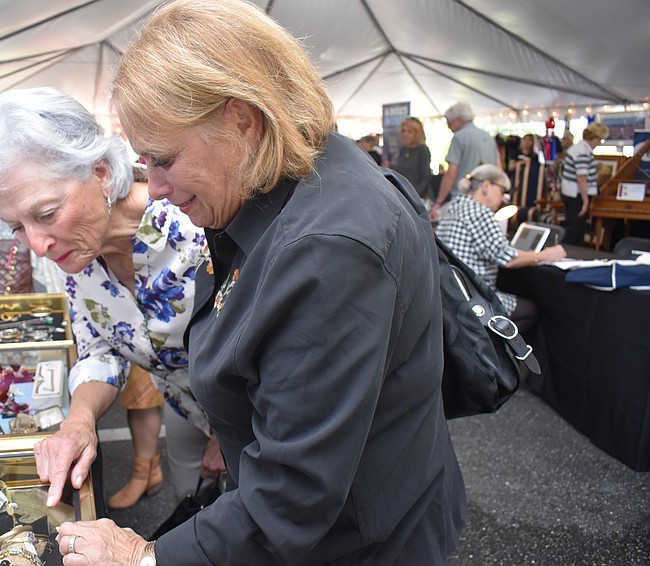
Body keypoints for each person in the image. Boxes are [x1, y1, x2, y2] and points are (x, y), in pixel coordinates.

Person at [56, 1, 466, 564]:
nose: (153, 188)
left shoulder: (327, 248)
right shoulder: (284, 183)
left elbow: (295, 492)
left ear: (241, 119)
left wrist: (140, 558)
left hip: (362, 541)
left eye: (164, 160)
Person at [0, 87, 223, 511]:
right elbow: (100, 348)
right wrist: (78, 422)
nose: (37, 245)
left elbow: (277, 349)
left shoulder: (194, 225)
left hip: (261, 417)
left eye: (45, 214)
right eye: (16, 228)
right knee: (193, 505)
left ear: (100, 173)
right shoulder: (82, 261)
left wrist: (239, 434)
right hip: (187, 407)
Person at [436, 164, 566, 332]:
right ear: (486, 186)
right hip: (474, 299)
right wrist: (545, 255)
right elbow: (509, 259)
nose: (503, 198)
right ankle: (494, 350)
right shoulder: (479, 212)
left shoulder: (452, 206)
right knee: (531, 310)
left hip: (449, 294)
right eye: (502, 191)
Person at [430, 101, 500, 220]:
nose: (448, 126)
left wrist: (438, 202)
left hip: (463, 200)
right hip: (487, 199)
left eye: (449, 122)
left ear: (459, 119)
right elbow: (499, 169)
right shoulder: (488, 136)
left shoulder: (459, 137)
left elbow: (450, 174)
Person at [559, 122, 610, 246]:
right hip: (576, 195)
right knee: (575, 231)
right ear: (595, 138)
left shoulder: (578, 148)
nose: (600, 143)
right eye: (600, 140)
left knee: (575, 228)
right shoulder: (583, 151)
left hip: (571, 192)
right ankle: (567, 255)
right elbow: (581, 178)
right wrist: (586, 201)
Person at [393, 116, 432, 205]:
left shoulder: (423, 150)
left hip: (418, 197)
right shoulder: (403, 149)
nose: (405, 134)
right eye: (403, 131)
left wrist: (414, 195)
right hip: (403, 196)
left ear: (417, 133)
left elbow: (426, 177)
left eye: (409, 131)